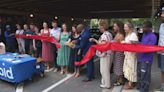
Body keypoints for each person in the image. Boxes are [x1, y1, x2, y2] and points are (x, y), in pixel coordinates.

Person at [90, 19, 113, 88]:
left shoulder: (104, 35)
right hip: (109, 54)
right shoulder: (109, 34)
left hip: (105, 55)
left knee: (104, 70)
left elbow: (102, 45)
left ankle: (107, 84)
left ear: (102, 27)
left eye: (99, 26)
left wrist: (94, 40)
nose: (99, 28)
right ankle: (104, 82)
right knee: (106, 69)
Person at [137, 21, 157, 92]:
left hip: (146, 60)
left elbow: (148, 48)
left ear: (149, 28)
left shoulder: (153, 37)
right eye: (143, 27)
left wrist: (140, 46)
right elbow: (143, 45)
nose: (143, 28)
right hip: (140, 58)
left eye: (144, 27)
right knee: (140, 74)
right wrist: (137, 44)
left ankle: (144, 90)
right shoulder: (144, 35)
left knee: (145, 76)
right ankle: (140, 87)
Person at [123, 22, 138, 89]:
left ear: (129, 27)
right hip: (127, 54)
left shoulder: (133, 35)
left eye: (125, 27)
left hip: (131, 55)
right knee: (128, 68)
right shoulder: (128, 34)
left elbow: (134, 45)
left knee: (131, 68)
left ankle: (130, 84)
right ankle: (131, 82)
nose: (124, 28)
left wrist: (124, 42)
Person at [113, 21, 125, 86]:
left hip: (119, 53)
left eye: (115, 26)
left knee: (119, 66)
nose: (113, 27)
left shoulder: (120, 35)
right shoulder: (118, 34)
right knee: (117, 66)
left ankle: (120, 80)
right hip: (117, 52)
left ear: (119, 27)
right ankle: (119, 79)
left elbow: (122, 46)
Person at [157, 8, 164, 91]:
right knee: (162, 70)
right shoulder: (162, 25)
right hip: (161, 51)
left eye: (163, 13)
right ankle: (162, 87)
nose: (161, 15)